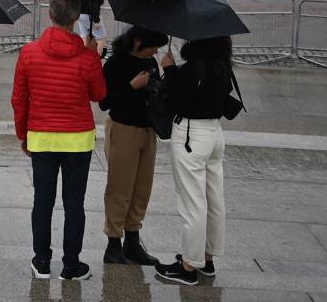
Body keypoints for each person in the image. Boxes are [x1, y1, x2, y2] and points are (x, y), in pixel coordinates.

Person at [12, 0, 106, 281]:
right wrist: (93, 56)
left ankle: (41, 260)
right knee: (74, 203)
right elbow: (99, 95)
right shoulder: (87, 56)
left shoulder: (29, 53)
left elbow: (19, 99)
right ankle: (71, 264)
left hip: (41, 135)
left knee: (43, 201)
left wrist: (23, 135)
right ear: (77, 18)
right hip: (77, 139)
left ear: (50, 15)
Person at [156, 35, 240, 286]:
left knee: (192, 202)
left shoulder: (194, 68)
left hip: (192, 134)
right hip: (215, 135)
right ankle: (207, 257)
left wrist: (169, 70)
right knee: (214, 198)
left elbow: (179, 101)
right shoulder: (223, 66)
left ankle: (189, 265)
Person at [101, 25, 169, 266]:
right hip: (123, 129)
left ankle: (132, 241)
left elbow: (160, 95)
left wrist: (166, 77)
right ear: (138, 42)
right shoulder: (115, 64)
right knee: (120, 188)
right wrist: (132, 87)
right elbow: (104, 101)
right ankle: (113, 244)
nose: (155, 54)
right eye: (152, 48)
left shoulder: (150, 63)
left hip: (148, 130)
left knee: (142, 188)